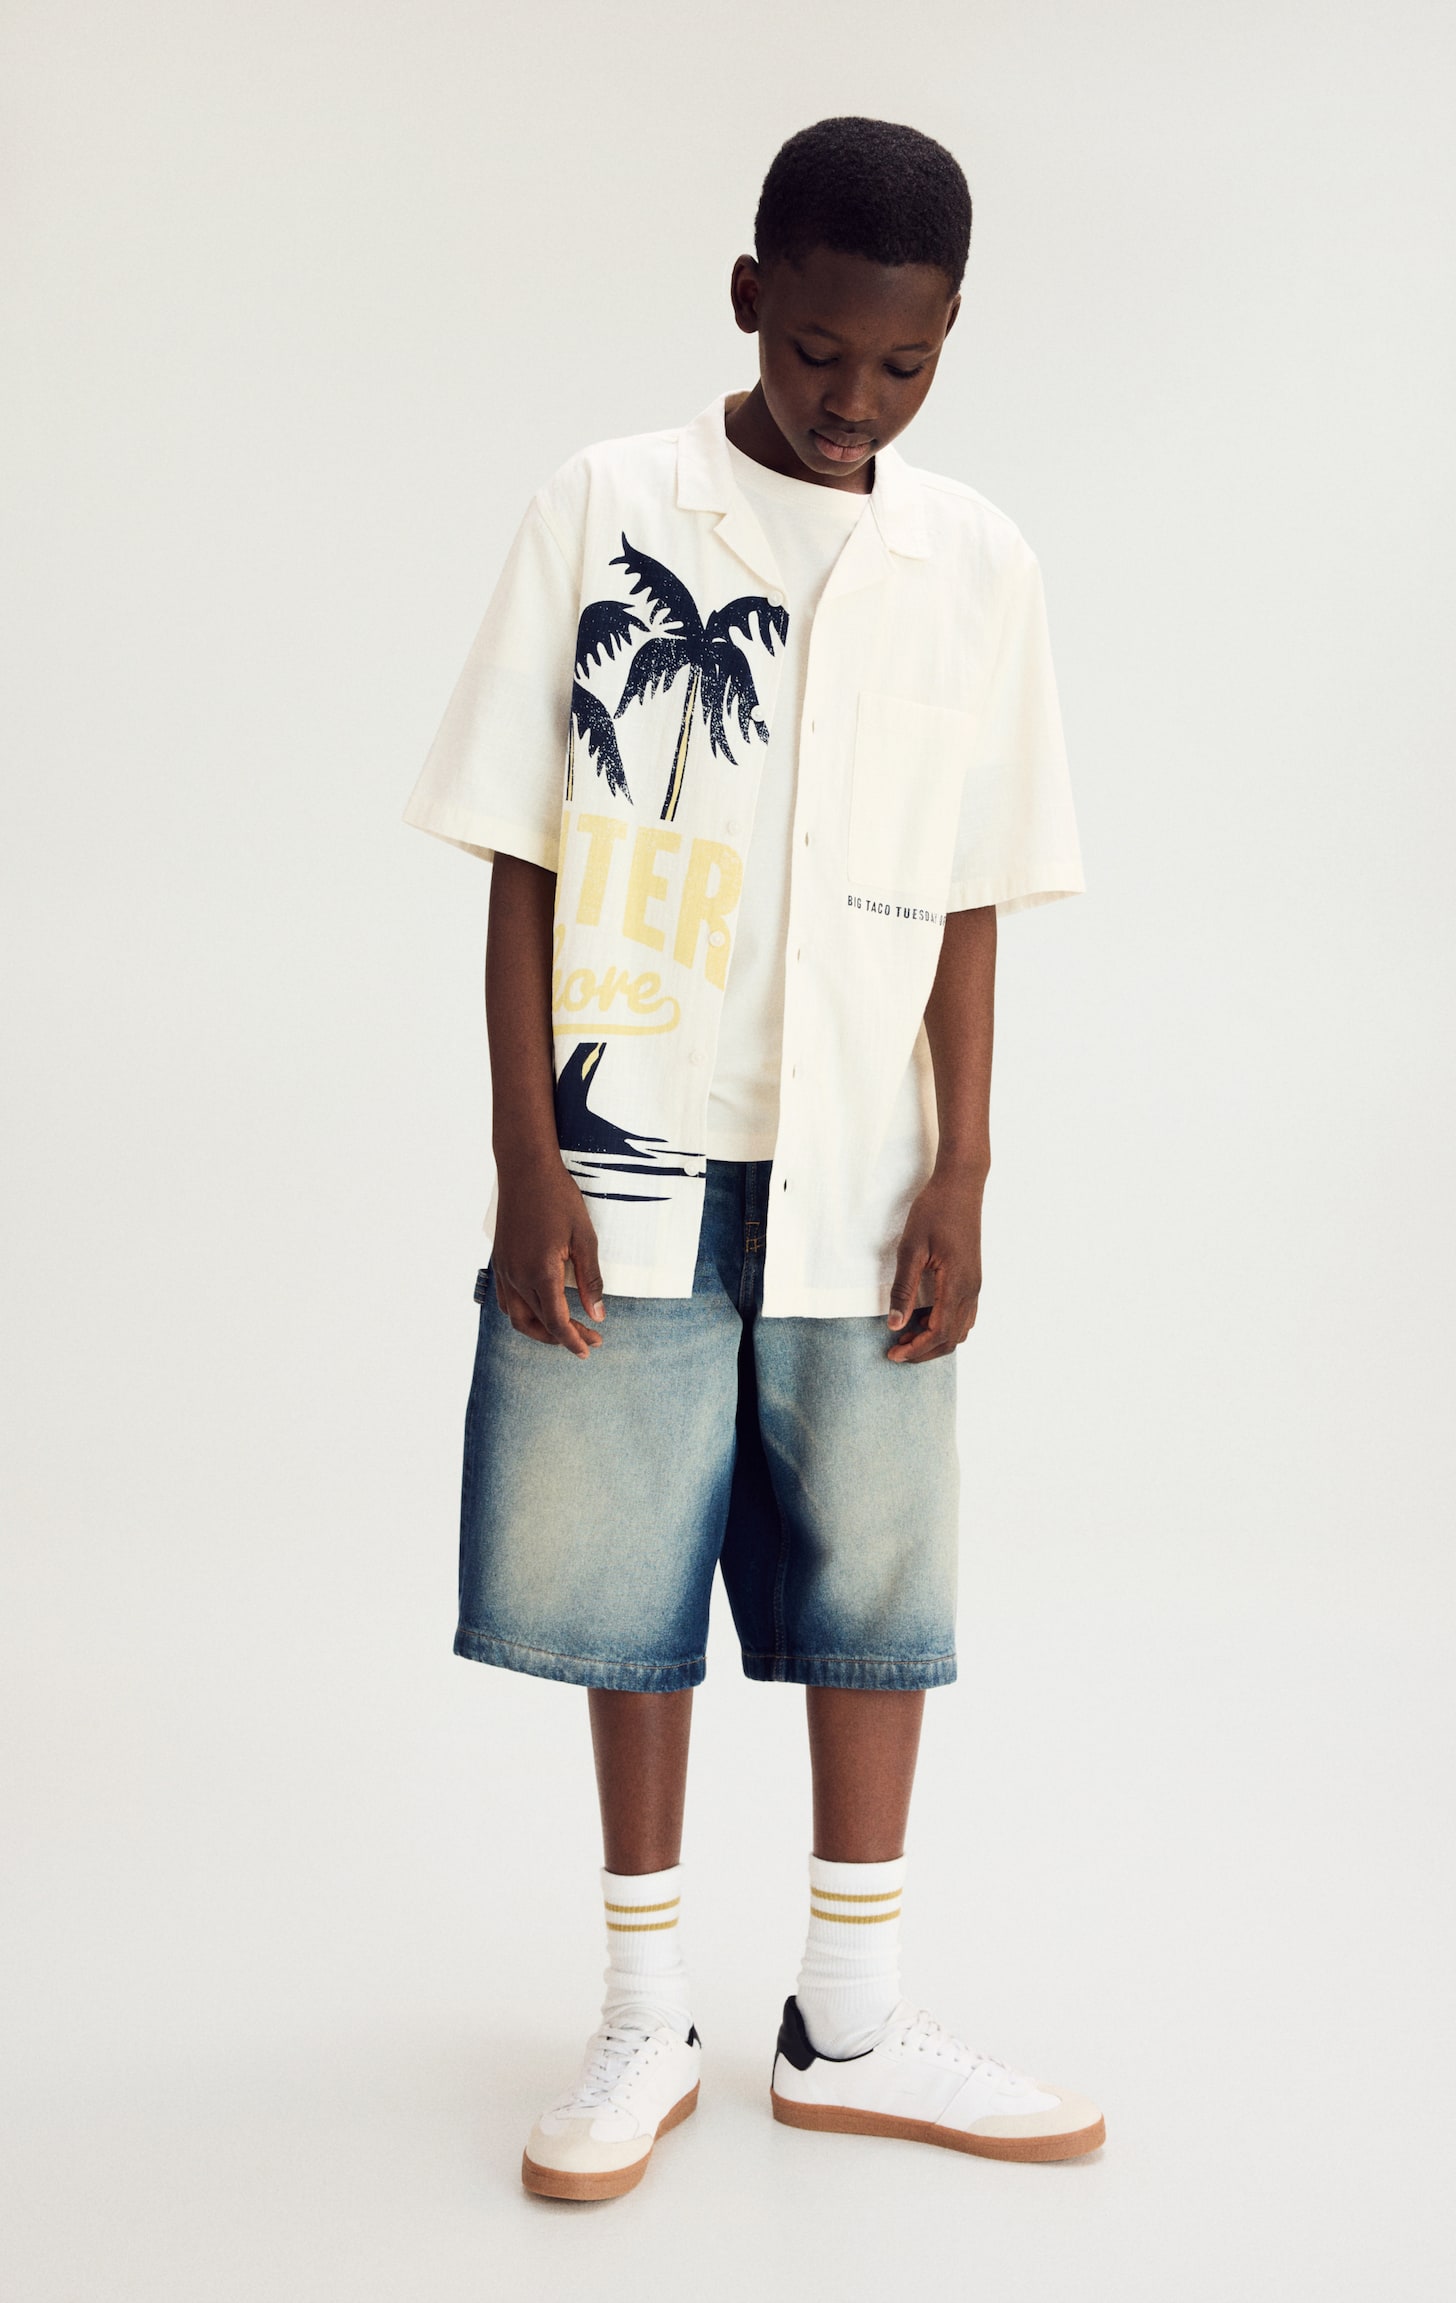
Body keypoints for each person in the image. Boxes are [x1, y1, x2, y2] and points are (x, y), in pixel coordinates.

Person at [404, 115, 1103, 2201]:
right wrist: (527, 1158)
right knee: (619, 1589)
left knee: (879, 1584)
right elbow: (524, 860)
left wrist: (966, 1169)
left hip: (863, 1176)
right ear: (747, 300)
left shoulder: (977, 567)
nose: (852, 398)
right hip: (628, 1160)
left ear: (952, 337)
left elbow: (972, 896)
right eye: (816, 350)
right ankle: (643, 2017)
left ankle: (852, 2018)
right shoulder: (607, 507)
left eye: (902, 365)